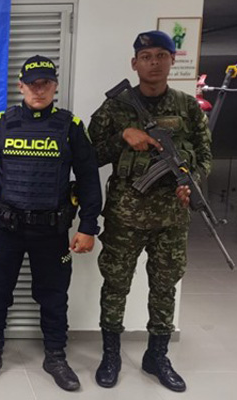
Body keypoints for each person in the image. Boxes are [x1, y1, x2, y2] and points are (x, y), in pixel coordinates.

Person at [0, 55, 102, 391]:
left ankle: (56, 357)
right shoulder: (3, 123)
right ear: (20, 86)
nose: (38, 89)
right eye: (32, 84)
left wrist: (88, 226)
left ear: (55, 86)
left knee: (53, 297)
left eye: (45, 83)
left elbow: (89, 179)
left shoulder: (70, 127)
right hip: (6, 228)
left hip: (51, 230)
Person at [89, 31, 211, 392]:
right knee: (115, 286)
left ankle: (157, 356)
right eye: (146, 57)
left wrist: (192, 181)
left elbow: (205, 157)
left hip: (172, 219)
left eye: (161, 55)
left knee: (164, 288)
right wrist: (122, 136)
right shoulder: (115, 107)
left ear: (172, 60)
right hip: (124, 217)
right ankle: (111, 355)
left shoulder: (188, 108)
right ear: (134, 63)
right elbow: (88, 155)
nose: (154, 63)